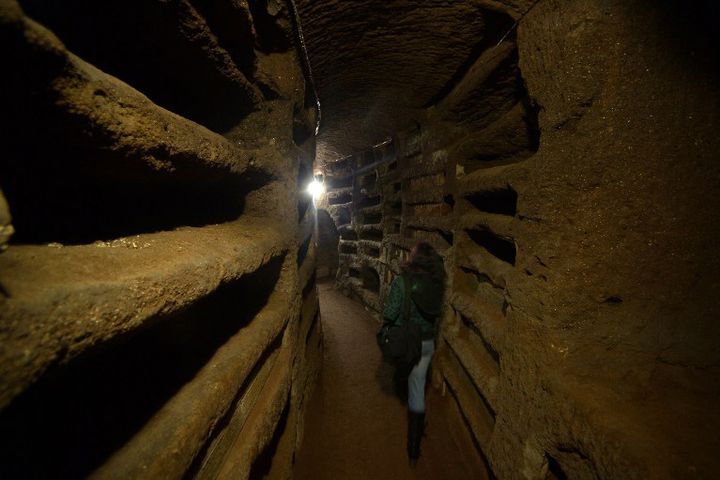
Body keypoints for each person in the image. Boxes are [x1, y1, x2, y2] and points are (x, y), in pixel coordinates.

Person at [382, 242, 445, 465]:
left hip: (407, 341)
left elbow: (389, 314)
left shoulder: (402, 282)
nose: (408, 253)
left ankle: (412, 443)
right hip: (427, 342)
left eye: (411, 251)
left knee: (405, 372)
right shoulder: (437, 283)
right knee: (418, 386)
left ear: (415, 258)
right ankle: (414, 446)